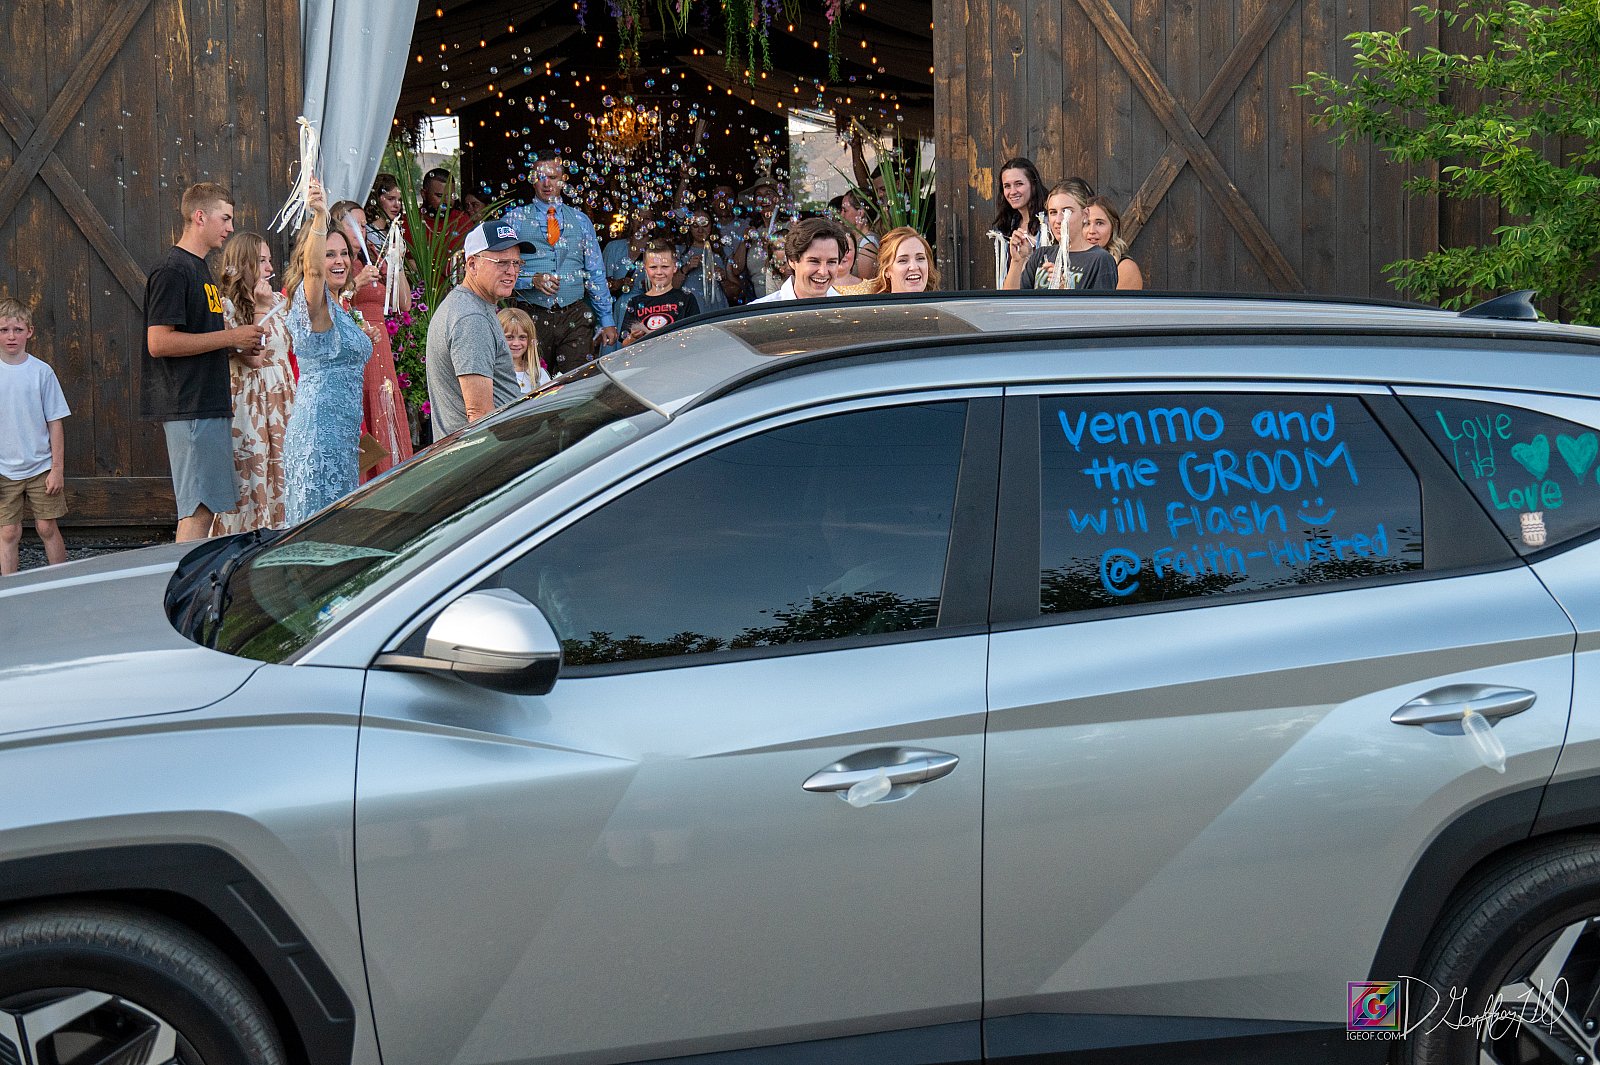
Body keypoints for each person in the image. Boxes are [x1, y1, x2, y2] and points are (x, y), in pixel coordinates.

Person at [142, 182, 265, 542]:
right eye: (224, 218)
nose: (230, 227)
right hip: (189, 404)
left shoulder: (199, 270)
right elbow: (158, 342)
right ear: (200, 216)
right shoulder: (173, 269)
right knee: (196, 510)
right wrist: (230, 337)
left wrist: (235, 347)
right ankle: (180, 579)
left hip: (207, 403)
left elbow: (199, 339)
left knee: (205, 508)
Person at [281, 180, 374, 525]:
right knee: (317, 529)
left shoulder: (340, 307)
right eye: (329, 254)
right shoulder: (315, 304)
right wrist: (320, 216)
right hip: (317, 436)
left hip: (342, 438)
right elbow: (314, 271)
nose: (340, 261)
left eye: (344, 253)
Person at [210, 232, 295, 534]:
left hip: (283, 402)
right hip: (251, 406)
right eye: (261, 261)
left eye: (269, 260)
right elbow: (255, 359)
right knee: (253, 478)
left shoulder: (281, 302)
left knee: (284, 475)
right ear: (242, 264)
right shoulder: (226, 308)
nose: (269, 268)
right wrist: (260, 307)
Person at [502, 154, 618, 373]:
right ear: (532, 180)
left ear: (563, 180)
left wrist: (606, 319)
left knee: (577, 380)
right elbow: (500, 268)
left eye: (553, 177)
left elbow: (595, 271)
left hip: (575, 314)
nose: (547, 184)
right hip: (530, 315)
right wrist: (530, 280)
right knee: (533, 380)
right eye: (541, 177)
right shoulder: (514, 220)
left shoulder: (581, 221)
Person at [331, 199, 414, 482]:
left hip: (380, 344)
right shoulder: (337, 265)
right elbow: (331, 302)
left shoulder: (372, 257)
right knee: (365, 403)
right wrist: (357, 283)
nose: (361, 231)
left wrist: (397, 265)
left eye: (364, 225)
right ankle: (365, 479)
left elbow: (404, 304)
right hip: (357, 341)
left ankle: (390, 476)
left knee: (384, 399)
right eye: (354, 226)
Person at [425, 219, 530, 436]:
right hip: (485, 450)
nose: (512, 271)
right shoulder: (471, 318)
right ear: (472, 264)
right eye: (502, 262)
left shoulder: (469, 305)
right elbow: (479, 415)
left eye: (516, 263)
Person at [0, 297, 69, 575]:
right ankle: (11, 590)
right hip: (4, 469)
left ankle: (61, 583)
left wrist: (57, 468)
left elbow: (55, 422)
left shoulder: (42, 372)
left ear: (29, 331)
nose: (11, 336)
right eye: (4, 330)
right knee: (8, 531)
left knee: (46, 526)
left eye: (17, 329)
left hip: (41, 467)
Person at [1003, 179, 1119, 292]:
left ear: (1085, 214)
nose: (1058, 220)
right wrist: (1017, 262)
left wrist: (1064, 291)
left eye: (1066, 211)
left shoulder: (1100, 259)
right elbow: (1010, 301)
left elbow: (1100, 304)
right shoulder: (1041, 255)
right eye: (1053, 212)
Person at [750, 218, 846, 304]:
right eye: (814, 261)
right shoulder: (760, 312)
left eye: (831, 262)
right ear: (792, 261)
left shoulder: (848, 311)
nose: (823, 272)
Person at [620, 242, 701, 344]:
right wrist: (632, 338)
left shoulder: (686, 298)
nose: (659, 272)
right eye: (653, 267)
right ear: (645, 268)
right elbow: (624, 343)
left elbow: (696, 334)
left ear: (675, 267)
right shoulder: (635, 302)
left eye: (665, 266)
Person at [991, 157, 1047, 284]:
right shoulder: (1007, 228)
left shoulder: (1049, 225)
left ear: (1033, 185)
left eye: (1019, 184)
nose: (1012, 192)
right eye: (1007, 186)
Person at [676, 211, 739, 310]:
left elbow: (736, 293)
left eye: (704, 224)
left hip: (717, 312)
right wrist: (686, 268)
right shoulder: (680, 251)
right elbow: (671, 287)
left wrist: (723, 280)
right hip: (690, 313)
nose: (700, 230)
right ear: (689, 227)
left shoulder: (723, 251)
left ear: (712, 226)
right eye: (695, 225)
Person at [1082, 195, 1145, 290]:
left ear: (1113, 227)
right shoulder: (1069, 263)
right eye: (1086, 223)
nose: (1092, 231)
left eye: (1099, 223)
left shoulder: (1124, 268)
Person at [417, 167, 473, 251]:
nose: (447, 201)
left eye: (451, 196)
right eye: (440, 196)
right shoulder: (409, 222)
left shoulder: (462, 221)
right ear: (424, 194)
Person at [870, 227, 940, 293]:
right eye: (903, 260)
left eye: (920, 258)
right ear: (886, 270)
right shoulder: (874, 302)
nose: (914, 267)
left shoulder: (942, 301)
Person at [497, 306, 548, 394]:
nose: (516, 343)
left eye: (522, 337)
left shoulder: (539, 374)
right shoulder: (492, 373)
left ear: (530, 340)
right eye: (509, 337)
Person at [830, 190, 879, 279]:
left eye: (845, 210)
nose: (841, 215)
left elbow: (866, 284)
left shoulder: (868, 245)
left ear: (860, 213)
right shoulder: (856, 239)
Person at [364, 173, 403, 255]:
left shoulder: (394, 231)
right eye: (391, 199)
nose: (397, 205)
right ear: (377, 199)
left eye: (400, 200)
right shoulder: (367, 233)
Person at [831, 228, 873, 295]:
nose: (842, 254)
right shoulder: (817, 287)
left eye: (848, 250)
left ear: (855, 253)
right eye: (837, 249)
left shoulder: (871, 288)